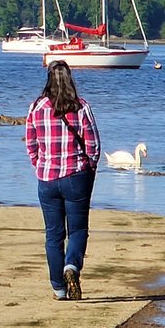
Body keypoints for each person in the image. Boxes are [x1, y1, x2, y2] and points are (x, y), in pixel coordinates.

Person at [24, 59, 101, 301]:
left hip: (47, 178)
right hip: (76, 176)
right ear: (70, 79)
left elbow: (31, 143)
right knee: (78, 229)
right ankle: (72, 266)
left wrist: (39, 165)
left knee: (53, 235)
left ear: (48, 79)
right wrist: (89, 166)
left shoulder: (36, 107)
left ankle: (58, 288)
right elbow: (93, 145)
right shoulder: (82, 107)